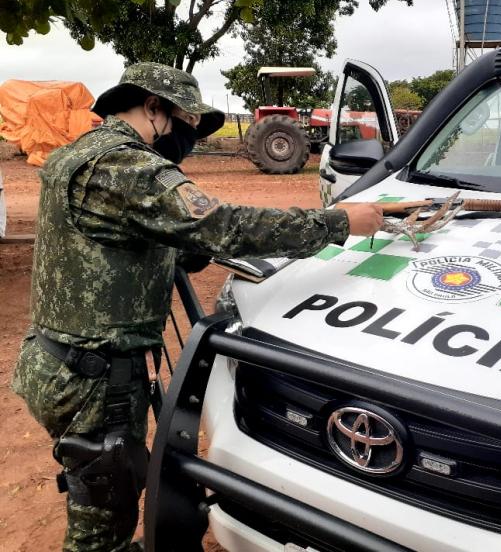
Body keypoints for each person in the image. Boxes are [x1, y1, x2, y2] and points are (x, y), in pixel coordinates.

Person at [11, 62, 383, 552]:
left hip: (52, 361)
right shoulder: (128, 167)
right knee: (103, 521)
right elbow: (224, 224)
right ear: (153, 108)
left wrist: (178, 244)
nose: (187, 142)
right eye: (186, 126)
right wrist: (336, 222)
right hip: (94, 381)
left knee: (95, 485)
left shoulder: (74, 156)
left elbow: (113, 236)